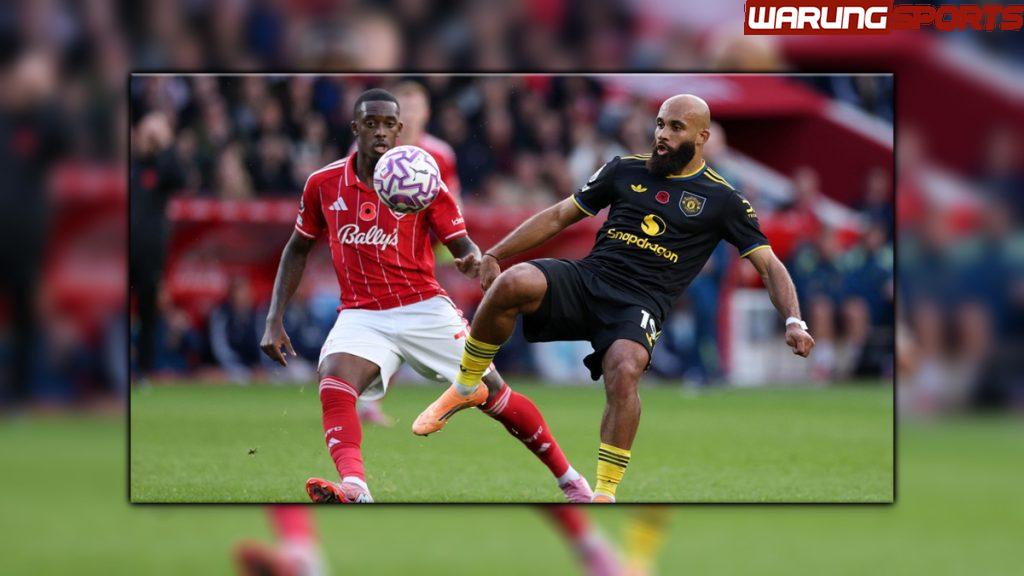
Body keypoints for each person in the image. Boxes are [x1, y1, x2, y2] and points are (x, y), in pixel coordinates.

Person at [415, 94, 815, 502]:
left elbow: (769, 265)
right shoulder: (624, 169)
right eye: (660, 124)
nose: (663, 134)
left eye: (676, 128)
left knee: (624, 367)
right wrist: (496, 253)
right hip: (591, 278)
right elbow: (559, 215)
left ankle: (604, 494)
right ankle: (468, 384)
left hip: (640, 303)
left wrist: (794, 321)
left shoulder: (724, 199)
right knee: (513, 282)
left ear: (702, 137)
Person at [260, 88, 591, 503]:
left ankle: (570, 480)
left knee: (493, 394)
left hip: (423, 307)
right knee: (333, 378)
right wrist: (274, 318)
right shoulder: (323, 184)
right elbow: (297, 247)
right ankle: (355, 487)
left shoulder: (423, 179)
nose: (380, 132)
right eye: (371, 123)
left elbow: (461, 243)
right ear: (355, 128)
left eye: (388, 124)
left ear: (399, 129)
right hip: (362, 313)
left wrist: (471, 260)